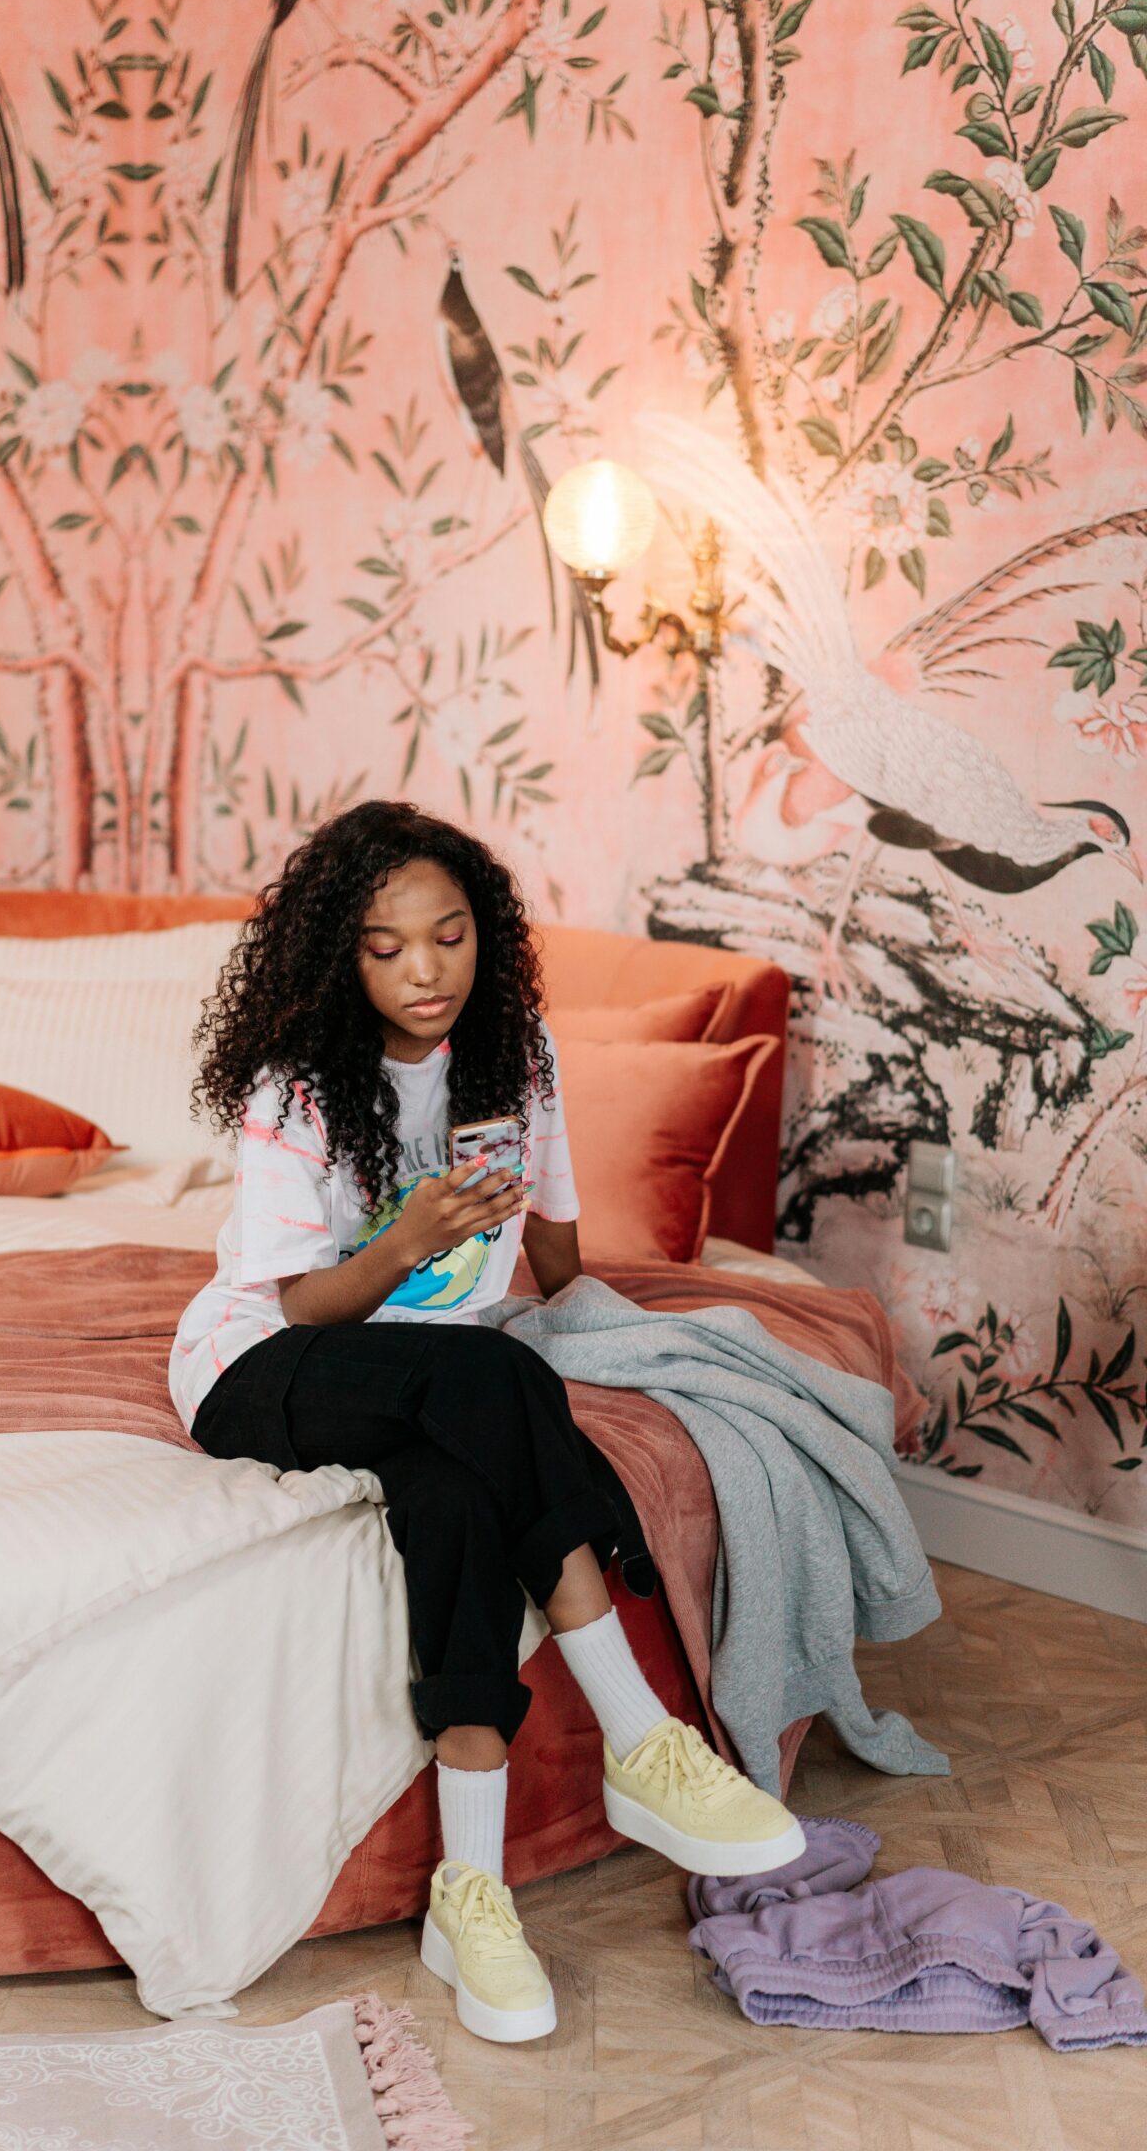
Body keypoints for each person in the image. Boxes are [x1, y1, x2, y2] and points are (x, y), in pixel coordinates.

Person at [171, 799, 802, 2045]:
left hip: (430, 1381)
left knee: (459, 1488)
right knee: (495, 1382)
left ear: (486, 939)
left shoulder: (522, 1058)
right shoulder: (296, 1089)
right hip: (268, 1363)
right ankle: (641, 1737)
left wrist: (608, 1323)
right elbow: (304, 1302)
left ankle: (470, 1893)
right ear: (338, 956)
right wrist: (415, 1238)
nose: (425, 971)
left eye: (451, 937)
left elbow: (556, 1250)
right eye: (387, 946)